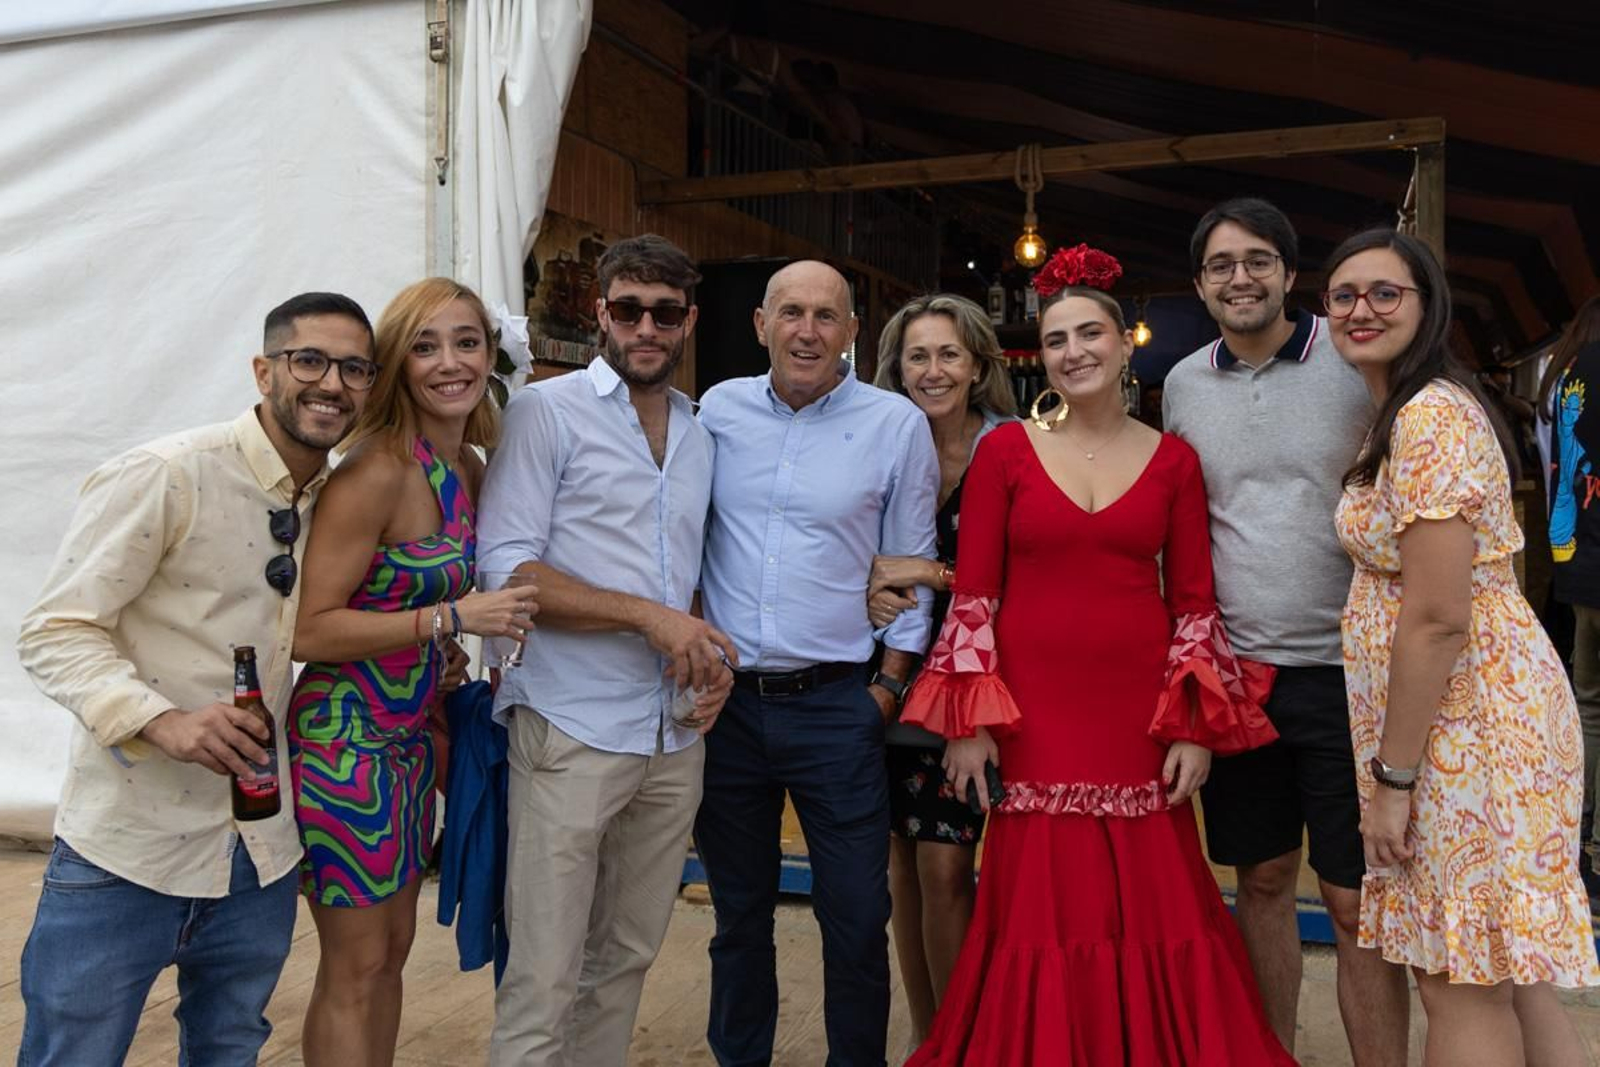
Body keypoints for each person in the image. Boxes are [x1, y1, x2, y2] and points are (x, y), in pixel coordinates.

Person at [896, 245, 1290, 1065]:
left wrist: (1192, 726)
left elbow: (1192, 603)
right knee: (1043, 903)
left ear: (1123, 343)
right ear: (1039, 355)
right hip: (1032, 712)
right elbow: (974, 600)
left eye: (1089, 334)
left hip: (1138, 715)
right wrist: (969, 724)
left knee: (1155, 898)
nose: (1073, 352)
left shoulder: (1174, 458)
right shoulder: (1007, 452)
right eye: (1055, 339)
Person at [13, 292, 374, 1066]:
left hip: (262, 854)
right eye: (308, 359)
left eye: (353, 368)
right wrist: (164, 719)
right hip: (128, 849)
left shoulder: (340, 498)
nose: (330, 383)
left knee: (230, 1049)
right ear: (263, 369)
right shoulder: (167, 473)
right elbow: (53, 630)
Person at [1328, 228, 1600, 1064]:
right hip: (1473, 719)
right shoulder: (1405, 411)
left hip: (1465, 730)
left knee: (1456, 978)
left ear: (1427, 304)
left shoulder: (1433, 418)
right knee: (1504, 972)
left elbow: (1438, 614)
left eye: (1385, 292)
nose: (1361, 308)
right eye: (1344, 295)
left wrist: (1394, 782)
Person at [476, 234, 734, 1066]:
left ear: (688, 319)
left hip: (673, 731)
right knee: (545, 972)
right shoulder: (544, 413)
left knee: (624, 959)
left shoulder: (700, 433)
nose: (645, 328)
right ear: (601, 314)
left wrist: (704, 649)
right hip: (569, 725)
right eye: (628, 310)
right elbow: (507, 571)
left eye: (664, 312)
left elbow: (687, 574)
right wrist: (648, 619)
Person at [1162, 197, 1409, 1062]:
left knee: (1353, 899)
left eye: (1257, 260)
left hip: (1350, 673)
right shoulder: (1184, 383)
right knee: (1262, 882)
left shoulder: (1353, 363)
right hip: (1240, 675)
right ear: (1200, 284)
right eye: (1222, 264)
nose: (1241, 277)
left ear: (1289, 274)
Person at [695, 259, 940, 1066]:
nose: (808, 330)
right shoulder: (716, 412)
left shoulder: (893, 424)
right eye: (791, 313)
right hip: (728, 707)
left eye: (826, 316)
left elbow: (913, 564)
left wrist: (886, 688)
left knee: (856, 914)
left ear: (852, 332)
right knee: (738, 913)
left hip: (838, 704)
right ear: (759, 323)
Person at [288, 278, 534, 1066]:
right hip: (343, 743)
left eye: (466, 342)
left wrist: (441, 649)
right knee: (355, 966)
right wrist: (448, 621)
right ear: (398, 362)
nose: (449, 362)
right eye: (425, 346)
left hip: (406, 737)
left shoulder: (465, 463)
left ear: (489, 355)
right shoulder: (379, 470)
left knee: (390, 955)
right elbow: (308, 628)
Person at [862, 293, 1016, 1056]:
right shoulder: (877, 445)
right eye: (917, 356)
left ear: (979, 364)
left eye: (949, 354)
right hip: (883, 675)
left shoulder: (1014, 449)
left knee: (949, 865)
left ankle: (960, 1041)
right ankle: (929, 1037)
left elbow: (1032, 575)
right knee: (903, 865)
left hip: (982, 683)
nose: (932, 370)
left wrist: (928, 569)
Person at [1536, 293, 1600, 897]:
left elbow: (1557, 464)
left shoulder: (1564, 373)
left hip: (1579, 560)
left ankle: (1575, 844)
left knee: (1588, 705)